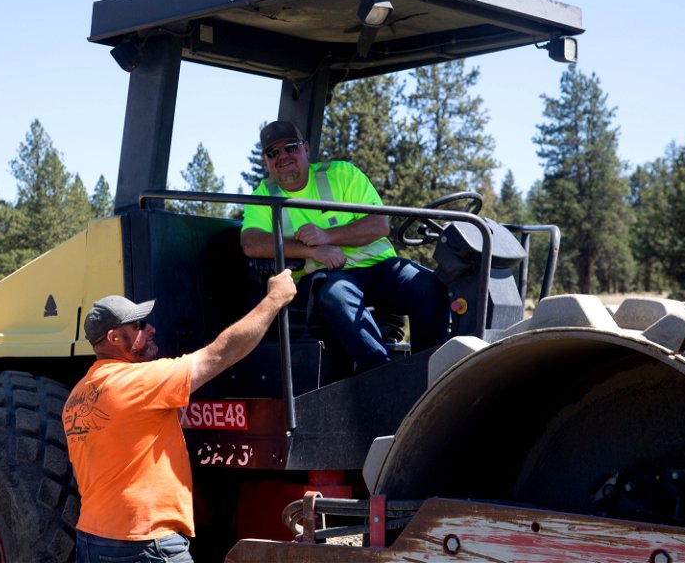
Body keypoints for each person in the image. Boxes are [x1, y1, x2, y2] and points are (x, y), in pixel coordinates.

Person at [64, 269, 296, 563]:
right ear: (114, 338)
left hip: (92, 538)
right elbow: (220, 353)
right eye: (139, 325)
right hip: (146, 541)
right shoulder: (139, 382)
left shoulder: (76, 397)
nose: (151, 329)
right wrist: (275, 299)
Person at [240, 120, 449, 372]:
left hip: (379, 268)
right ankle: (384, 377)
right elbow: (251, 242)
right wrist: (312, 251)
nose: (283, 156)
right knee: (337, 295)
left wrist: (327, 236)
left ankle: (431, 374)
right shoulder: (263, 196)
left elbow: (379, 225)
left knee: (429, 285)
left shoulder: (342, 175)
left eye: (290, 148)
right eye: (273, 152)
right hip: (321, 279)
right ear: (266, 160)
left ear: (305, 148)